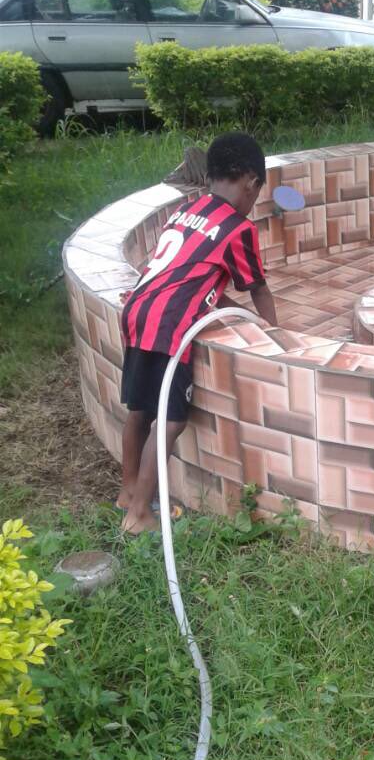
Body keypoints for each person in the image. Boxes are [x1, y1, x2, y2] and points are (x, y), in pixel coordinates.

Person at [117, 132, 277, 535]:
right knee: (169, 422)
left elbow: (196, 278)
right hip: (170, 326)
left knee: (139, 410)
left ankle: (127, 491)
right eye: (256, 193)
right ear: (251, 183)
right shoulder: (238, 229)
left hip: (138, 310)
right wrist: (276, 333)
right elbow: (257, 286)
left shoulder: (190, 208)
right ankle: (138, 515)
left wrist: (239, 317)